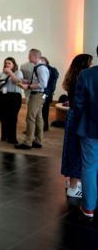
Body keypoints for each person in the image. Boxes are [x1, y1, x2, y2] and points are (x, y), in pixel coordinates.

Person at [61, 54, 93, 198]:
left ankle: (71, 182)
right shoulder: (83, 78)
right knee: (77, 152)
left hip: (72, 116)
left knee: (71, 149)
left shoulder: (71, 78)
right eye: (90, 63)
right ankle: (73, 187)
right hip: (79, 118)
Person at [74, 46, 98, 219]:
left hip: (90, 127)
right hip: (89, 127)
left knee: (89, 167)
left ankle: (89, 207)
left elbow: (79, 105)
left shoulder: (86, 75)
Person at [16, 49, 49, 149]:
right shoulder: (38, 67)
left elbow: (43, 84)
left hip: (37, 94)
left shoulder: (40, 68)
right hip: (38, 94)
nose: (28, 58)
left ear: (35, 56)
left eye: (29, 56)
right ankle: (38, 141)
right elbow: (38, 81)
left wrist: (29, 86)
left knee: (30, 118)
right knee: (38, 118)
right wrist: (26, 81)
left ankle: (28, 142)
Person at [0, 57, 23, 144]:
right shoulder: (2, 73)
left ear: (13, 64)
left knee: (13, 117)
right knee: (4, 116)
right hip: (4, 96)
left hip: (15, 96)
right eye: (5, 63)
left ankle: (12, 138)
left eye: (9, 63)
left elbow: (17, 81)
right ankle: (4, 136)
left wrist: (10, 72)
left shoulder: (18, 72)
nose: (6, 65)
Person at [40, 56, 59, 131]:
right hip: (41, 92)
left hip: (46, 93)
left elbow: (52, 84)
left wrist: (48, 93)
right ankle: (43, 125)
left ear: (46, 61)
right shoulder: (39, 69)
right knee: (41, 109)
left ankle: (45, 126)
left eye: (42, 60)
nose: (40, 62)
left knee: (44, 108)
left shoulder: (52, 70)